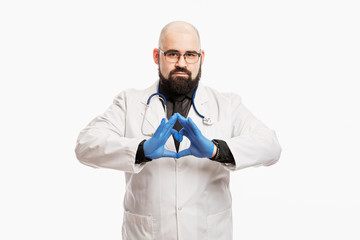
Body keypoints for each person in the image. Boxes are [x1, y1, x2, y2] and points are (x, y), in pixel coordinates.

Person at [75, 21, 282, 240]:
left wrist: (216, 151)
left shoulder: (226, 104)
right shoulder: (129, 102)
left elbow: (271, 146)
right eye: (172, 54)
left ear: (201, 57)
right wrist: (141, 150)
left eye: (190, 55)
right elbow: (85, 145)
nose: (181, 63)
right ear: (157, 56)